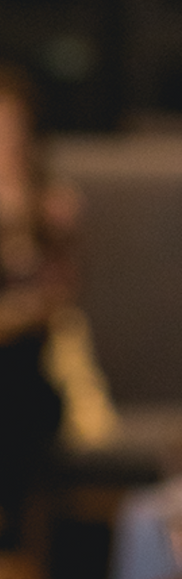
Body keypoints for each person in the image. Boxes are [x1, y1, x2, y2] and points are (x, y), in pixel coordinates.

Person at [0, 66, 78, 551]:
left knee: (18, 386)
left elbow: (57, 298)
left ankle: (15, 555)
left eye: (12, 129)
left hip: (29, 376)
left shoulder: (51, 205)